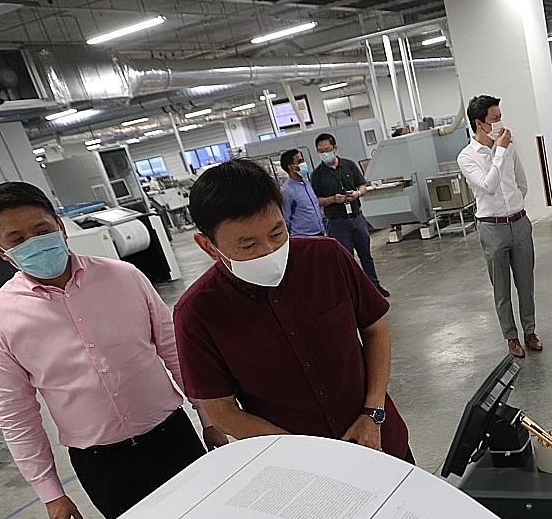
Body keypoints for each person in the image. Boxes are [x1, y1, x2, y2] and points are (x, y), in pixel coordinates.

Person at [0, 181, 223, 519]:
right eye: (17, 239)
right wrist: (50, 492)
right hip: (102, 465)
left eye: (42, 230)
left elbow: (176, 352)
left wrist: (209, 418)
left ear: (60, 226)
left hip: (173, 440)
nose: (34, 242)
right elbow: (15, 412)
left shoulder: (124, 278)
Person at [174, 159, 411, 461]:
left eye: (276, 233)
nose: (270, 251)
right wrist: (304, 451)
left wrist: (373, 411)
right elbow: (221, 409)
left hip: (378, 438)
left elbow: (375, 329)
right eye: (248, 246)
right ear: (208, 246)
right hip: (300, 467)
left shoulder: (327, 258)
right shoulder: (197, 314)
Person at [458, 94, 542, 359]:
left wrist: (515, 207)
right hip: (491, 228)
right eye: (494, 119)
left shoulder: (509, 147)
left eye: (500, 117)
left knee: (526, 283)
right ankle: (511, 337)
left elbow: (522, 183)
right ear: (479, 123)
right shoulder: (467, 157)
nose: (500, 123)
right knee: (501, 288)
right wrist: (501, 151)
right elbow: (488, 184)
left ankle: (530, 330)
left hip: (518, 222)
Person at [309, 133, 388, 297]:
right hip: (337, 222)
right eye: (321, 151)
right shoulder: (317, 175)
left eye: (328, 149)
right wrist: (332, 199)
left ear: (335, 148)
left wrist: (357, 194)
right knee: (346, 259)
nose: (325, 153)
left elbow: (362, 185)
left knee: (366, 254)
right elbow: (316, 200)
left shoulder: (349, 165)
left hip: (356, 218)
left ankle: (374, 286)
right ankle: (354, 292)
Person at [279, 148, 325, 237]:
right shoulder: (287, 191)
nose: (303, 164)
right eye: (300, 161)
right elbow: (286, 218)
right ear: (291, 167)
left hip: (319, 232)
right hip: (303, 236)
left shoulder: (307, 184)